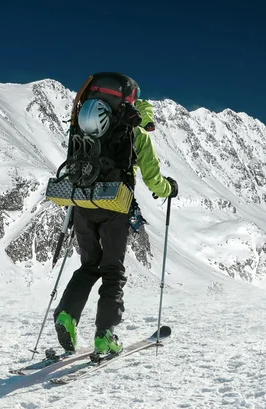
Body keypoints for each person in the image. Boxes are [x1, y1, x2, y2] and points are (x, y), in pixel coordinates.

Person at [52, 72, 178, 356]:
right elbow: (153, 179)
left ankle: (66, 315)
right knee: (112, 271)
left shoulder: (82, 125)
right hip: (115, 206)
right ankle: (105, 335)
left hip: (82, 202)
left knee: (88, 266)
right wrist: (168, 189)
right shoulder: (137, 132)